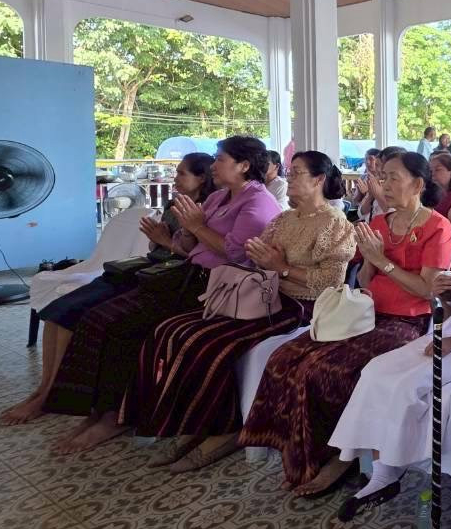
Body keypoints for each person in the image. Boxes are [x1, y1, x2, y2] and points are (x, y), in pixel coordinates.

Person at [44, 136, 281, 453]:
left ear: (243, 166)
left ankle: (115, 416)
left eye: (220, 159)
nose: (214, 165)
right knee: (96, 318)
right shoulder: (219, 197)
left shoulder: (258, 203)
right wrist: (179, 234)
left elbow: (236, 255)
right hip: (185, 275)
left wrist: (196, 228)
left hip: (214, 286)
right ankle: (93, 409)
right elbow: (187, 248)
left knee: (123, 327)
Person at [122, 151, 355, 472]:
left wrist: (282, 268)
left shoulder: (334, 223)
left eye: (297, 172)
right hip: (265, 295)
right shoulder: (284, 219)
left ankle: (225, 431)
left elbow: (331, 280)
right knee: (173, 329)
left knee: (211, 345)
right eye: (290, 170)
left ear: (318, 180)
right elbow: (250, 253)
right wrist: (197, 231)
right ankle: (192, 425)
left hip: (302, 306)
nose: (289, 178)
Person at [239, 151, 451, 493]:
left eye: (393, 177)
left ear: (417, 184)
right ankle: (301, 453)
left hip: (408, 322)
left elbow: (429, 291)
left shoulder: (436, 226)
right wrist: (370, 261)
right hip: (366, 312)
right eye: (382, 177)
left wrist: (381, 260)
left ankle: (342, 456)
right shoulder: (381, 224)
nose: (384, 184)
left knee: (327, 369)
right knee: (286, 357)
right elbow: (366, 283)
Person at [329, 203, 451, 520]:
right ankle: (379, 469)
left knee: (408, 384)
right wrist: (444, 294)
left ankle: (391, 469)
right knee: (376, 370)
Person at [0, 152, 216, 427]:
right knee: (56, 313)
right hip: (147, 266)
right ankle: (44, 389)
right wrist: (156, 238)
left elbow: (197, 257)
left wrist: (167, 241)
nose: (175, 178)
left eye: (182, 173)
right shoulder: (173, 203)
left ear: (202, 178)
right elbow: (156, 248)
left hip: (169, 277)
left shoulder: (207, 210)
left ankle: (53, 395)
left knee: (77, 316)